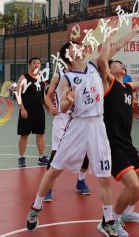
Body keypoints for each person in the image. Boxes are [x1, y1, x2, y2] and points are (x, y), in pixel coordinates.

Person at [25, 28, 139, 236]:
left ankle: (108, 222)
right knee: (54, 170)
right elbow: (63, 107)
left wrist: (132, 31)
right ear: (68, 55)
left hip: (98, 126)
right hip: (78, 126)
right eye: (75, 47)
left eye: (80, 46)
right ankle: (36, 207)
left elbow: (116, 46)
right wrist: (69, 101)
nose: (80, 48)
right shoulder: (66, 77)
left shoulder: (94, 67)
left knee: (104, 178)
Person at [100, 35, 139, 236]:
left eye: (122, 64)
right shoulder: (108, 83)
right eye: (117, 63)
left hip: (127, 143)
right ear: (110, 69)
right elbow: (102, 61)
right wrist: (109, 39)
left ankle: (126, 212)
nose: (121, 65)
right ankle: (109, 222)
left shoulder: (128, 87)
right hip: (112, 144)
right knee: (132, 184)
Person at [41, 69, 91, 202]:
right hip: (61, 118)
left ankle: (81, 180)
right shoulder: (58, 76)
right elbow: (48, 96)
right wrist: (50, 106)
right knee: (55, 153)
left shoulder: (84, 75)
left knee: (86, 152)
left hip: (78, 119)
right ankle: (48, 187)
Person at [16, 57, 49, 168]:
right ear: (29, 65)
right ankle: (21, 157)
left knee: (40, 134)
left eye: (39, 63)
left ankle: (42, 157)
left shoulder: (42, 78)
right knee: (24, 135)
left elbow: (43, 95)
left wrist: (48, 107)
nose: (37, 64)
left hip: (39, 111)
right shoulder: (23, 78)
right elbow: (18, 94)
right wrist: (22, 109)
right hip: (27, 111)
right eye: (34, 63)